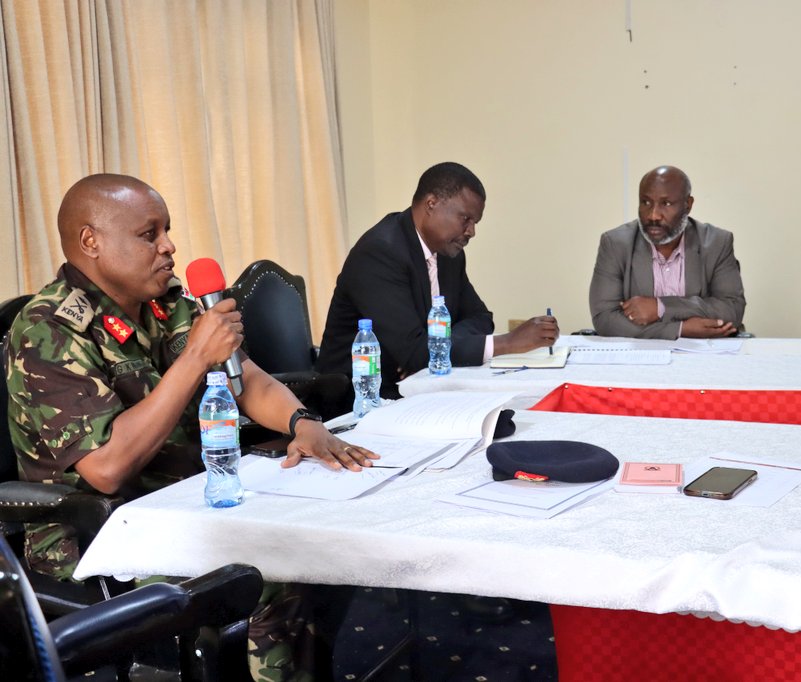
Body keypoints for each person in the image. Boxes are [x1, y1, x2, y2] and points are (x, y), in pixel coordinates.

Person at [4, 173, 378, 682]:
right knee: (273, 576)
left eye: (167, 230)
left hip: (183, 502)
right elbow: (108, 469)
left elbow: (244, 379)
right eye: (148, 234)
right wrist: (194, 358)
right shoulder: (47, 330)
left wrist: (301, 422)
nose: (169, 246)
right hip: (95, 534)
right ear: (91, 241)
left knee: (321, 548)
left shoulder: (168, 303)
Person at [317, 162, 559, 400]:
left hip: (419, 387)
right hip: (359, 398)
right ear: (432, 204)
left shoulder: (448, 254)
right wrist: (508, 342)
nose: (471, 231)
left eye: (475, 222)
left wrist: (434, 346)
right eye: (465, 218)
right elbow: (414, 353)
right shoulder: (380, 252)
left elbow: (481, 318)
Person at [588, 165, 746, 339]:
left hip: (705, 357)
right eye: (646, 202)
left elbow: (732, 309)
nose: (653, 215)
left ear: (688, 205)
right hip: (640, 360)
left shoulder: (717, 242)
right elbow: (605, 319)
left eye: (666, 203)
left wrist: (661, 307)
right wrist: (680, 329)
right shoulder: (615, 244)